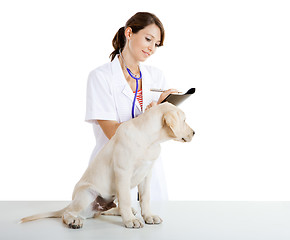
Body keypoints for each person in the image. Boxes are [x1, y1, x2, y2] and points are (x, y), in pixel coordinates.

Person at [85, 12, 177, 201]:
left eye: (156, 44)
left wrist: (167, 108)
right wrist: (153, 114)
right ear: (129, 33)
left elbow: (163, 131)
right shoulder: (101, 77)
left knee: (153, 225)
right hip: (109, 171)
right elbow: (113, 133)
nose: (151, 48)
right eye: (148, 39)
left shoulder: (156, 76)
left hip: (149, 172)